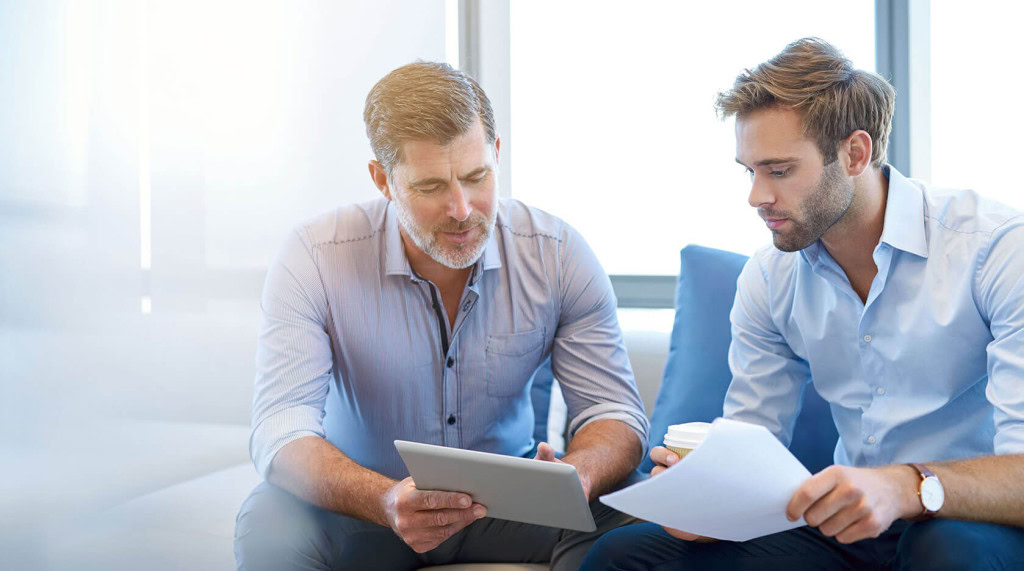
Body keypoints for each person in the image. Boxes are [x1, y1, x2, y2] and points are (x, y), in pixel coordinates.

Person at [581, 38, 1024, 570]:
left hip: (971, 521)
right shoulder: (770, 278)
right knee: (625, 555)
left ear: (855, 153)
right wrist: (705, 502)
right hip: (848, 531)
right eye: (750, 171)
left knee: (948, 549)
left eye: (780, 170)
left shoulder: (993, 250)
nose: (756, 196)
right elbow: (751, 443)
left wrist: (906, 487)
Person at [232, 61, 649, 570]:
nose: (461, 209)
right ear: (383, 179)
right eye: (431, 187)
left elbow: (614, 413)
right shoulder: (315, 255)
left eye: (477, 177)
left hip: (514, 509)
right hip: (366, 506)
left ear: (496, 153)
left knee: (634, 512)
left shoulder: (557, 253)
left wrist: (577, 476)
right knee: (270, 521)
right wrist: (386, 501)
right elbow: (281, 429)